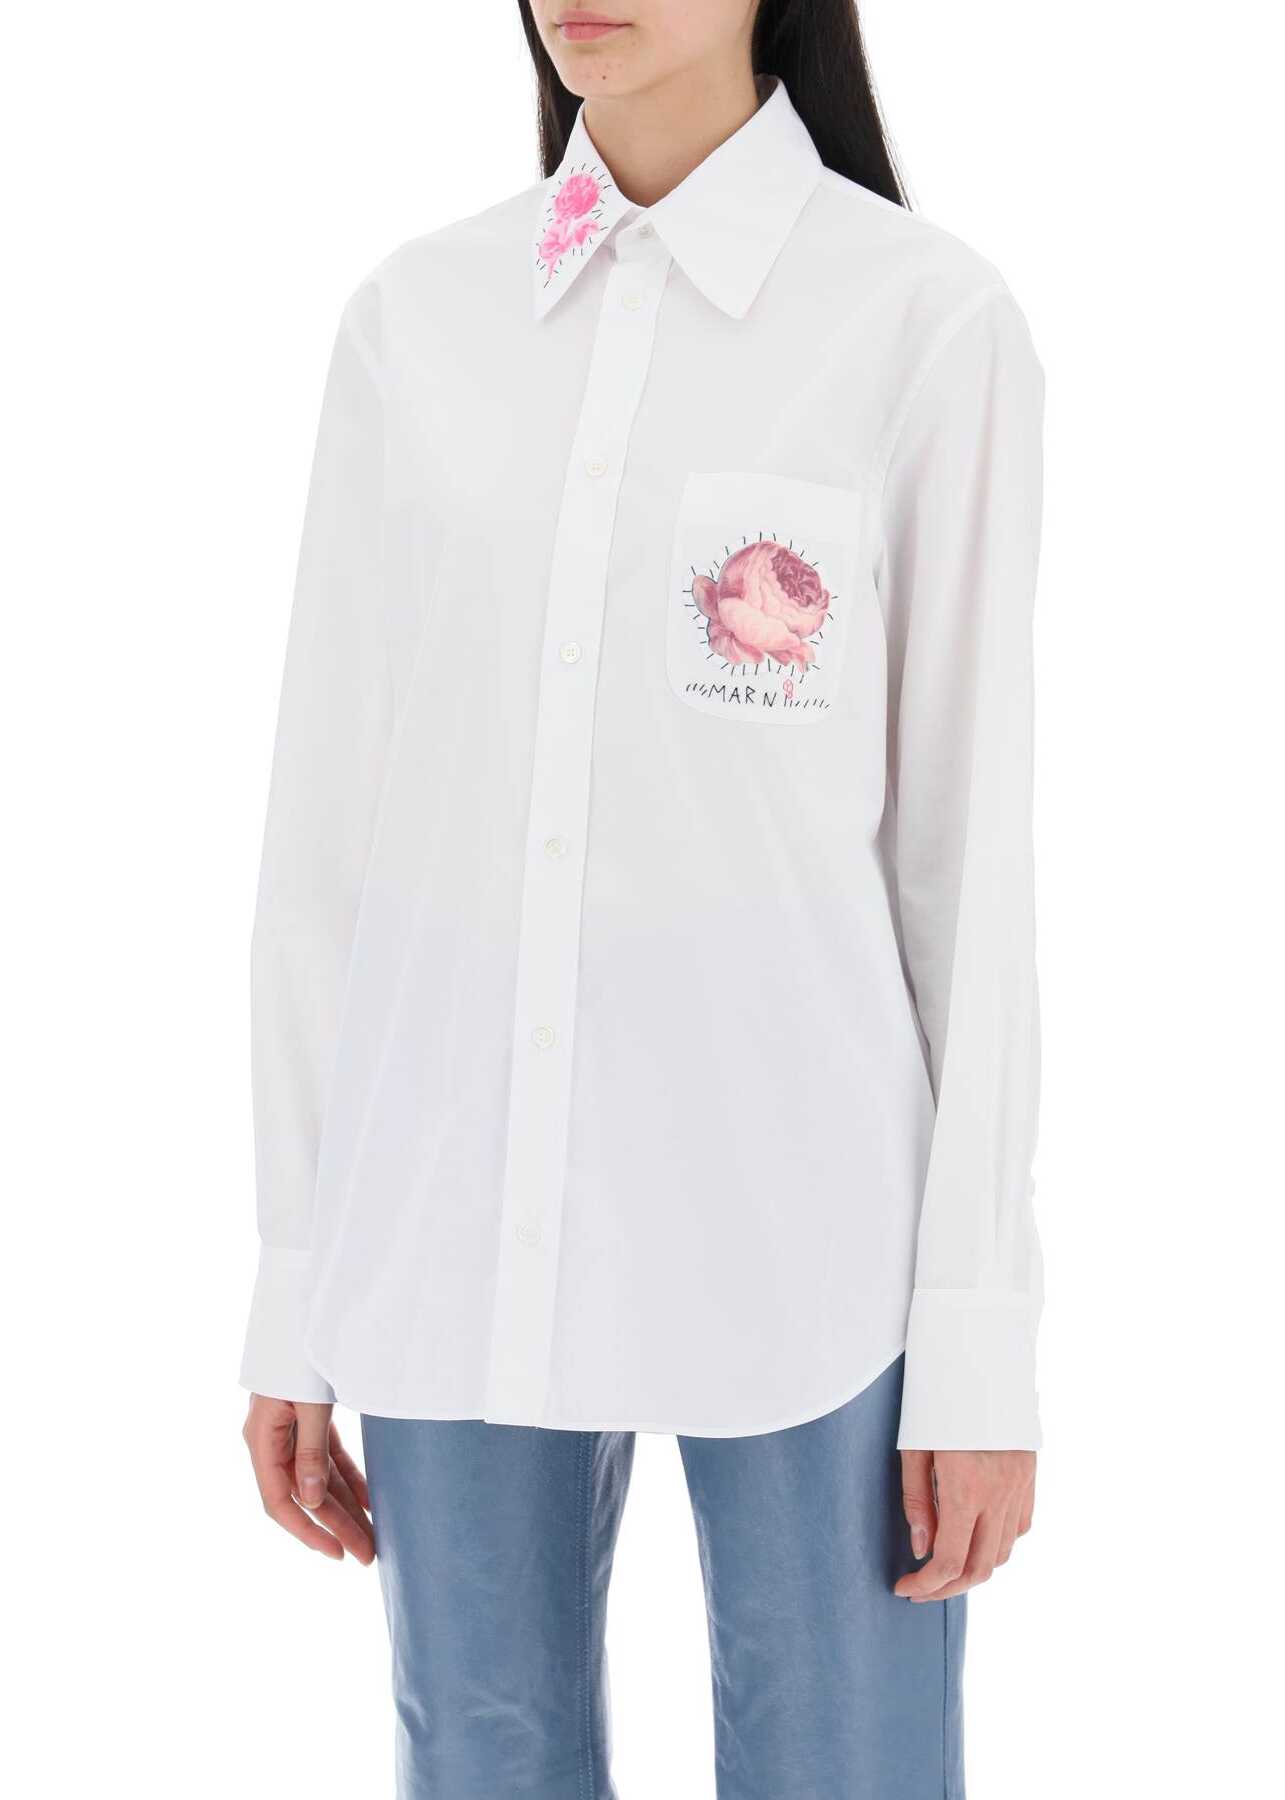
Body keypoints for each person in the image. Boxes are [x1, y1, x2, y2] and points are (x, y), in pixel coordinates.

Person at [240, 3, 1045, 1794]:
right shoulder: (417, 323)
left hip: (812, 1233)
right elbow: (328, 844)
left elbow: (965, 868)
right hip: (450, 1210)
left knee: (848, 1761)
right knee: (483, 1758)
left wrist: (979, 1341)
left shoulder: (919, 320)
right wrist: (298, 1278)